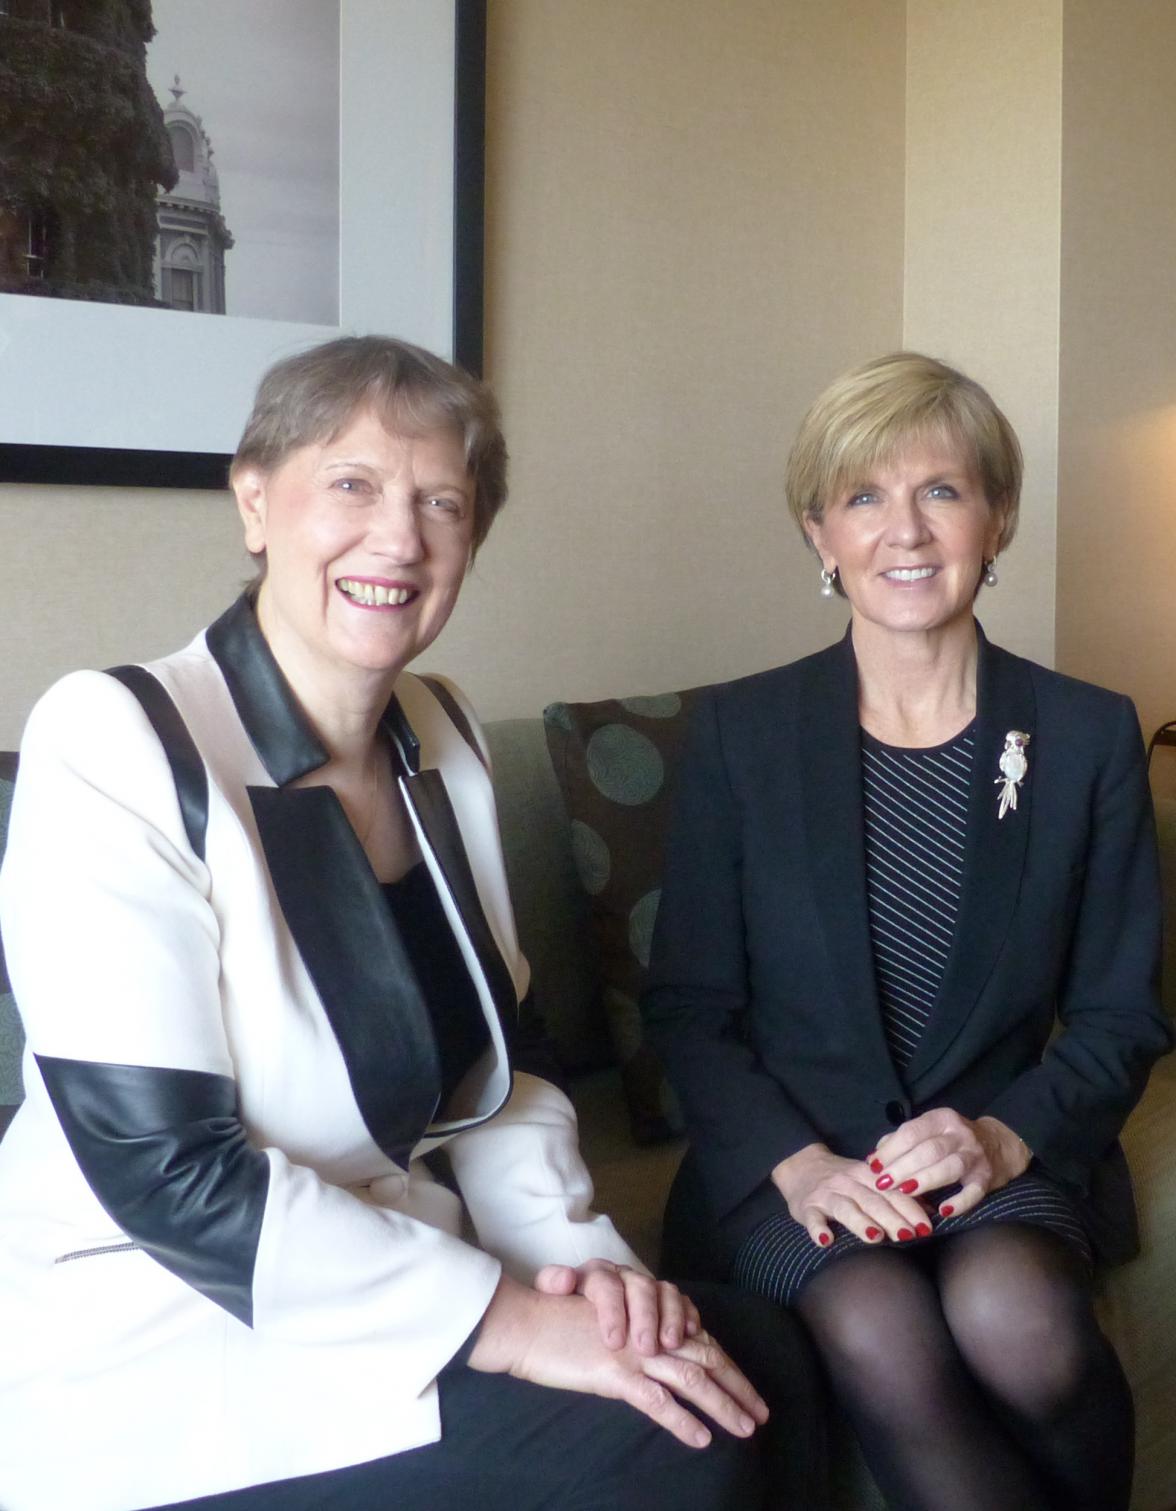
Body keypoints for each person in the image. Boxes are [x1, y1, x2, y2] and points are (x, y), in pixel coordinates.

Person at [0, 336, 787, 1511]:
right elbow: (167, 1174)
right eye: (354, 484)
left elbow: (501, 1076)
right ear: (256, 499)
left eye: (442, 502)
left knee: (762, 1356)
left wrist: (590, 1275)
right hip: (178, 1325)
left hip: (400, 1273)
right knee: (685, 1443)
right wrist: (513, 1320)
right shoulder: (116, 736)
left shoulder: (441, 728)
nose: (400, 537)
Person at [642, 352, 1172, 1511]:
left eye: (943, 490)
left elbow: (1123, 1010)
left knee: (1016, 1316)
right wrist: (798, 1161)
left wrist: (1003, 1135)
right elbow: (689, 1008)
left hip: (1001, 1141)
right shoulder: (740, 735)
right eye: (864, 497)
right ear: (817, 534)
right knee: (877, 1318)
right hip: (797, 1163)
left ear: (997, 518)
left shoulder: (1084, 735)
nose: (907, 530)